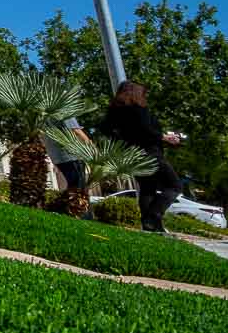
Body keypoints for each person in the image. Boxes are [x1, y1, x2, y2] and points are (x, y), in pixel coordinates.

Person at [95, 80, 184, 234]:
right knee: (175, 186)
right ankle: (153, 215)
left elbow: (104, 128)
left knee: (148, 188)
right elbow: (145, 130)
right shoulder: (138, 108)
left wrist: (122, 141)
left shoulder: (115, 110)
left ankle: (150, 226)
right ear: (137, 93)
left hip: (132, 155)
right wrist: (165, 137)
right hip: (150, 152)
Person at [44, 113, 93, 215]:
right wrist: (92, 147)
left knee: (73, 186)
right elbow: (75, 130)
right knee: (79, 188)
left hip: (56, 156)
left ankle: (61, 209)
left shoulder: (47, 112)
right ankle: (76, 213)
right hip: (71, 155)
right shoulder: (64, 109)